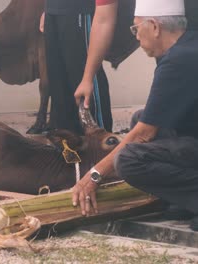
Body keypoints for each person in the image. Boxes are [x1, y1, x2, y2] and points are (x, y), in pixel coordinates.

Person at [71, 0, 198, 231]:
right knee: (139, 117)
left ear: (155, 27)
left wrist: (94, 175)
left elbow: (143, 134)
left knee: (129, 159)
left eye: (136, 28)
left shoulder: (178, 60)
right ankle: (184, 199)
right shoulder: (187, 46)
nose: (136, 36)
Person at [40, 0, 116, 134]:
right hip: (53, 11)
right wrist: (49, 9)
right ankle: (68, 149)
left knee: (84, 88)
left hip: (80, 10)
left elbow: (105, 16)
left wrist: (88, 78)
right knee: (60, 94)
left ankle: (102, 149)